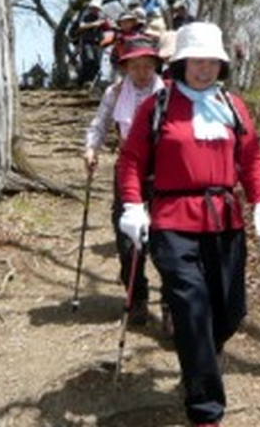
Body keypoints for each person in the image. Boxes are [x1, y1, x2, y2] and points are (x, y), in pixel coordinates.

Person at [116, 22, 260, 427]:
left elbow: (252, 158)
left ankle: (203, 352)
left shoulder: (233, 106)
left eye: (212, 62)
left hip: (225, 220)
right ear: (182, 62)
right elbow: (131, 159)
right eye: (197, 61)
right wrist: (133, 206)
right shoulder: (158, 106)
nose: (204, 69)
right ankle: (205, 411)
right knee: (190, 308)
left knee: (229, 312)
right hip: (172, 222)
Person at [84, 36, 166, 325]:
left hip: (166, 172)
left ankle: (170, 303)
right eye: (135, 67)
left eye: (147, 66)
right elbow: (100, 123)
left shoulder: (169, 92)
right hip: (128, 169)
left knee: (166, 240)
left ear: (156, 65)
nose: (142, 72)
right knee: (127, 239)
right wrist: (91, 148)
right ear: (125, 68)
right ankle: (137, 296)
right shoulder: (115, 93)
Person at [70, 0, 110, 87]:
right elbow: (81, 26)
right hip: (87, 42)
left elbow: (108, 28)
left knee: (97, 64)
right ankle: (82, 81)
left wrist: (105, 22)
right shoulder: (85, 16)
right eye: (93, 8)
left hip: (98, 43)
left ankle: (90, 82)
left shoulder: (101, 17)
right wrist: (94, 24)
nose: (95, 10)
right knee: (89, 60)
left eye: (97, 8)